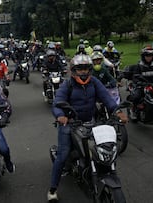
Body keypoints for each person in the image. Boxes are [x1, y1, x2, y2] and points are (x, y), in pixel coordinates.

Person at [47, 54, 128, 202]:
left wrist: (117, 111)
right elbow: (57, 102)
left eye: (86, 69)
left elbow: (107, 98)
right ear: (73, 70)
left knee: (103, 148)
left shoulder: (94, 82)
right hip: (69, 123)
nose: (83, 72)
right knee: (63, 155)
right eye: (80, 69)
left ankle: (104, 171)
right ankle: (52, 189)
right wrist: (60, 116)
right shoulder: (68, 84)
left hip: (90, 121)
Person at [121, 46, 153, 119]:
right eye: (147, 55)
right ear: (143, 56)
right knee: (136, 96)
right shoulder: (139, 66)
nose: (149, 57)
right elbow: (135, 77)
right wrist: (139, 82)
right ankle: (133, 111)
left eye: (150, 55)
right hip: (142, 86)